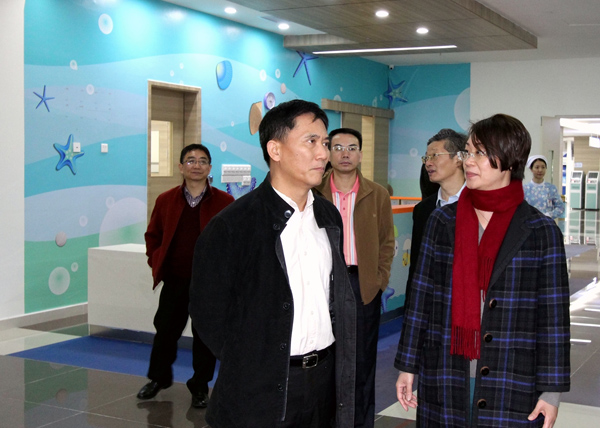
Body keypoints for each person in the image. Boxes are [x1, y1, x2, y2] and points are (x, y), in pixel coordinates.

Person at [189, 100, 357, 428]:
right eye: (311, 141)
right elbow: (207, 311)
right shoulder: (234, 225)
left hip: (323, 382)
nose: (323, 154)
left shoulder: (327, 215)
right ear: (275, 150)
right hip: (260, 388)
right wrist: (252, 362)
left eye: (325, 143)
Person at [395, 114, 570, 428]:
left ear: (509, 160)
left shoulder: (541, 231)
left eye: (480, 153)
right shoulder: (442, 221)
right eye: (468, 152)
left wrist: (552, 390)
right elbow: (421, 298)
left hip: (513, 376)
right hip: (446, 369)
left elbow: (553, 317)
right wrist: (408, 365)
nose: (469, 161)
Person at [138, 144, 234, 408]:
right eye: (190, 160)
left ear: (210, 168)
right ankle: (158, 378)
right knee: (165, 331)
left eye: (202, 161)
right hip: (175, 279)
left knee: (204, 336)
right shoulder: (166, 200)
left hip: (209, 284)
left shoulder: (225, 202)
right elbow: (153, 236)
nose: (196, 165)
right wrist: (156, 259)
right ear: (181, 167)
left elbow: (234, 242)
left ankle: (200, 386)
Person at [313, 127, 395, 428]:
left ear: (360, 154)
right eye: (337, 147)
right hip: (322, 285)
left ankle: (360, 423)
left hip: (363, 285)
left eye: (351, 148)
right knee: (325, 360)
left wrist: (378, 281)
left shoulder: (378, 194)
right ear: (327, 153)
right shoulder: (313, 192)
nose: (345, 154)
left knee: (361, 362)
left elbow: (387, 242)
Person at [406, 129, 467, 306]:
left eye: (435, 156)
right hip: (431, 303)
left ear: (458, 159)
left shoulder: (480, 206)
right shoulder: (423, 210)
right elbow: (416, 265)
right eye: (426, 158)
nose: (428, 163)